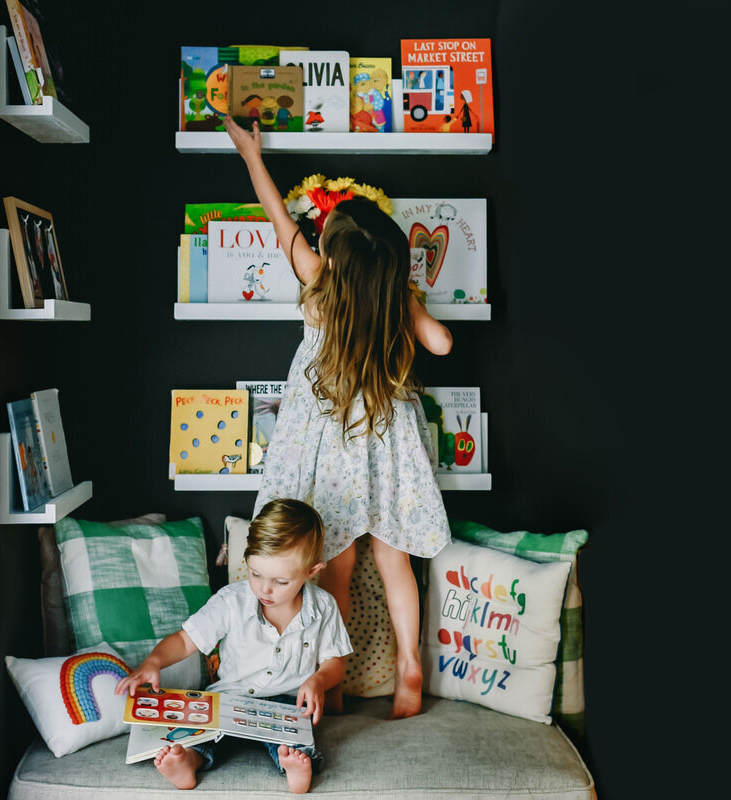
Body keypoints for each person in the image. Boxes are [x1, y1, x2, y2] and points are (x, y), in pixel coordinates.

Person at [222, 115, 453, 720]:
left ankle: (336, 680)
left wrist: (252, 155)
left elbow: (278, 219)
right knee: (393, 557)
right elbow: (443, 345)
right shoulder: (392, 300)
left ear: (331, 253)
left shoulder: (319, 283)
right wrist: (401, 294)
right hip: (385, 436)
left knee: (339, 562)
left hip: (329, 448)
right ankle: (410, 671)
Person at [115, 498, 352, 794]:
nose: (265, 589)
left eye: (280, 581)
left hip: (286, 705)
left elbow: (335, 662)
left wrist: (318, 680)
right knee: (198, 733)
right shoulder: (232, 601)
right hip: (228, 698)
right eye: (255, 574)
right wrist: (153, 662)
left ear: (311, 571)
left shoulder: (323, 607)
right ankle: (189, 761)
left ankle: (295, 767)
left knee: (297, 742)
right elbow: (186, 639)